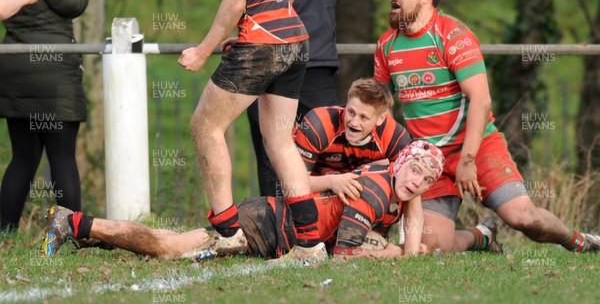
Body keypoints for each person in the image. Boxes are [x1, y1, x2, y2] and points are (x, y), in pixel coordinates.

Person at [374, 0, 600, 253]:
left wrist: (467, 161)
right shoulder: (387, 45)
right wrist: (390, 155)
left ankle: (581, 242)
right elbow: (383, 106)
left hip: (477, 147)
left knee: (523, 218)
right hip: (427, 158)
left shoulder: (453, 35)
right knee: (431, 246)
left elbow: (481, 100)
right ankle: (482, 237)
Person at [177, 0, 324, 262]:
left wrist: (201, 51)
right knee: (279, 140)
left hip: (264, 43)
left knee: (205, 125)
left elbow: (235, 0)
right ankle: (310, 243)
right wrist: (247, 32)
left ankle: (227, 234)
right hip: (294, 39)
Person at [43, 141, 444, 260]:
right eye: (414, 171)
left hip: (273, 222)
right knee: (169, 248)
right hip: (266, 225)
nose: (417, 183)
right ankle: (73, 222)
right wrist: (395, 252)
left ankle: (84, 231)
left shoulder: (390, 180)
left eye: (427, 180)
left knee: (173, 242)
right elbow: (343, 255)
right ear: (401, 163)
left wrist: (412, 200)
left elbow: (408, 217)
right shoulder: (376, 190)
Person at [248, 0, 352, 197]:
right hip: (266, 62)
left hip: (313, 65)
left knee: (328, 146)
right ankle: (272, 224)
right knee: (269, 150)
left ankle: (329, 221)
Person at [0, 0, 88, 234]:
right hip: (52, 75)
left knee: (22, 158)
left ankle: (5, 232)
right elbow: (73, 3)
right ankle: (71, 234)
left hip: (16, 67)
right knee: (63, 158)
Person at [295, 78, 412, 204]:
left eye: (363, 117)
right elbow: (293, 183)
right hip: (310, 189)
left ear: (380, 119)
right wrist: (332, 181)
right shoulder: (318, 124)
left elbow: (411, 192)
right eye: (351, 112)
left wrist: (371, 171)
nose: (354, 123)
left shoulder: (395, 137)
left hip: (353, 193)